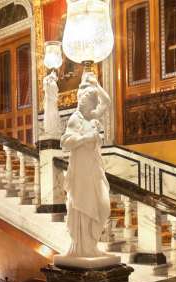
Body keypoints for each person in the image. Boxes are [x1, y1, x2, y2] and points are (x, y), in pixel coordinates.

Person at [61, 72, 112, 261]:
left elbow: (107, 103)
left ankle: (92, 244)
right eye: (89, 101)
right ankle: (84, 248)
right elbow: (65, 142)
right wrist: (85, 139)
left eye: (92, 101)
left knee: (103, 205)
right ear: (83, 101)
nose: (92, 105)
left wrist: (97, 84)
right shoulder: (76, 119)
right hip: (81, 169)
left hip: (94, 166)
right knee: (83, 204)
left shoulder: (91, 116)